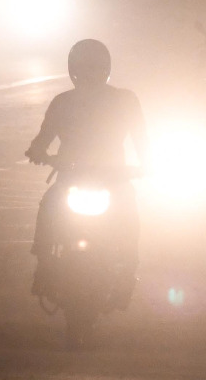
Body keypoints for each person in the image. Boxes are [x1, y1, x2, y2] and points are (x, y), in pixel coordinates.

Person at [25, 39, 148, 295]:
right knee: (49, 206)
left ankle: (128, 270)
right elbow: (42, 139)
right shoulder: (62, 103)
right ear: (74, 71)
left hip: (113, 180)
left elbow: (142, 140)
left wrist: (147, 163)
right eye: (85, 69)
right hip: (73, 177)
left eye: (95, 68)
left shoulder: (124, 100)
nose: (90, 75)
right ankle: (44, 265)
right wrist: (37, 152)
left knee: (128, 214)